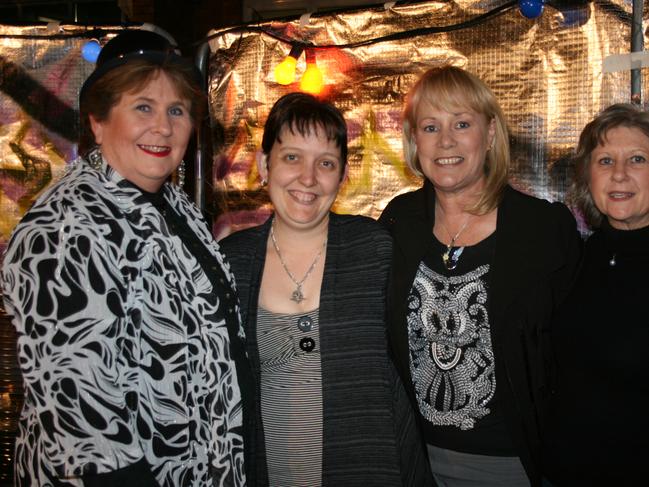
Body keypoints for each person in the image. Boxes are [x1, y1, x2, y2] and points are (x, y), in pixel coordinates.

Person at [1, 30, 252, 487]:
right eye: (143, 107)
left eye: (177, 110)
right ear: (98, 121)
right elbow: (85, 422)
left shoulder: (175, 207)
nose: (163, 127)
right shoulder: (60, 230)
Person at [378, 65, 581, 487]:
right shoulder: (399, 222)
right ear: (415, 140)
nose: (446, 141)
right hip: (415, 463)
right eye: (431, 127)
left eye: (462, 124)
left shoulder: (544, 230)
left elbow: (576, 356)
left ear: (489, 135)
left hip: (513, 465)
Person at [219, 92, 431, 486]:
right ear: (265, 165)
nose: (308, 178)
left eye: (326, 163)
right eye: (292, 157)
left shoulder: (375, 250)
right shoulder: (231, 262)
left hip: (369, 467)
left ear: (342, 176)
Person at [542, 103, 649, 485]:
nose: (619, 174)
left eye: (637, 158)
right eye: (605, 161)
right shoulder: (577, 257)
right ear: (588, 177)